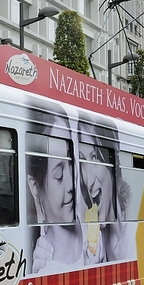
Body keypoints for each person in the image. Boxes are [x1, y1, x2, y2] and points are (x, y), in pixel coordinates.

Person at [26, 99, 83, 274]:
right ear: (35, 187)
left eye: (72, 164)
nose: (71, 185)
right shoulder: (43, 266)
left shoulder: (96, 227)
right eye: (58, 175)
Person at [78, 113, 132, 263]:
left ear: (113, 166)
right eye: (82, 162)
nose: (88, 181)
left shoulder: (134, 237)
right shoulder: (92, 246)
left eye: (94, 157)